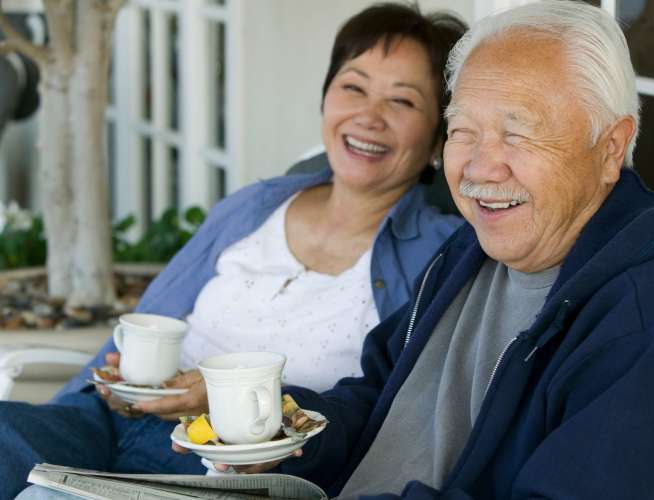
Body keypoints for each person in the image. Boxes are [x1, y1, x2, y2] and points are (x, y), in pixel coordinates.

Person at [214, 2, 654, 498]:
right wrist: (280, 434)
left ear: (610, 148)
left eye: (519, 134)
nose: (481, 169)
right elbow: (379, 396)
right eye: (463, 131)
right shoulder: (475, 249)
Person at [0, 3, 467, 497]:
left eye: (403, 102)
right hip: (104, 423)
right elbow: (149, 319)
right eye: (353, 87)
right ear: (327, 96)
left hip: (223, 471)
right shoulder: (257, 205)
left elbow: (391, 417)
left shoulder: (438, 258)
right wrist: (123, 385)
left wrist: (225, 405)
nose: (369, 116)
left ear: (439, 137)